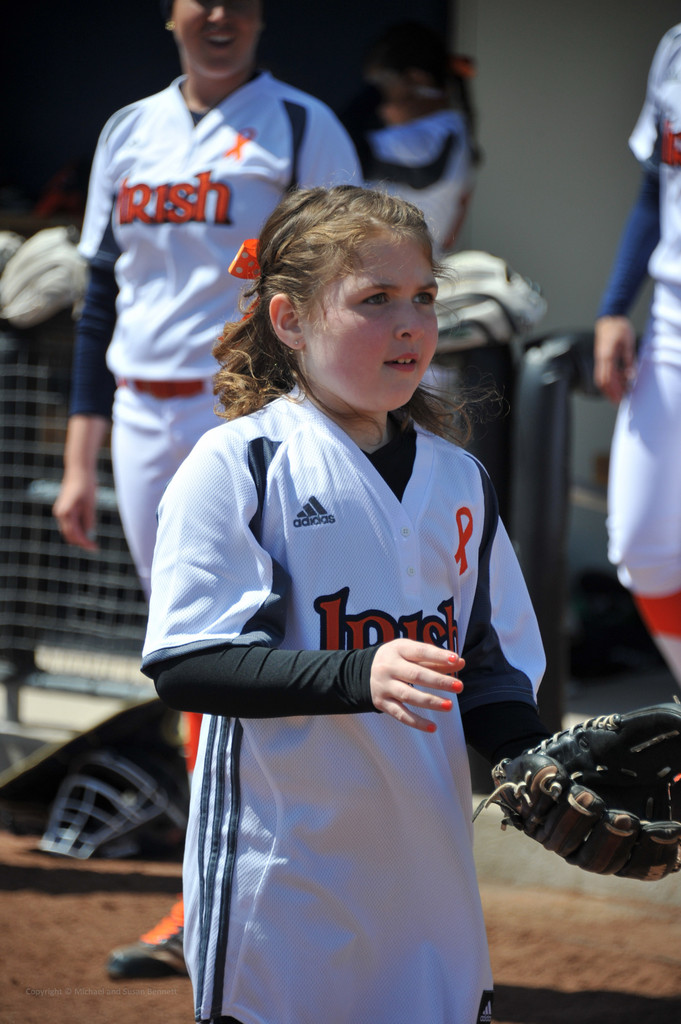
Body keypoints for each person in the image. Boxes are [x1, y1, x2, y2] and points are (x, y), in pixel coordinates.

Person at [141, 184, 549, 1024]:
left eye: (424, 297)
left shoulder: (458, 478)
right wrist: (359, 671)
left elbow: (488, 666)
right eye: (375, 300)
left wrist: (539, 764)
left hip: (429, 876)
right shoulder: (242, 465)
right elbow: (188, 663)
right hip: (283, 877)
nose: (410, 322)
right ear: (288, 319)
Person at [51, 0, 359, 980]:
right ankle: (212, 888)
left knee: (277, 641)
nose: (218, 15)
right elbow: (101, 288)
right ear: (171, 12)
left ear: (262, 15)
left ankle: (287, 883)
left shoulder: (302, 125)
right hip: (144, 414)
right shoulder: (128, 131)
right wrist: (79, 451)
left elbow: (357, 274)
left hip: (252, 411)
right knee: (193, 650)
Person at [593, 23, 681, 688]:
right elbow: (656, 184)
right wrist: (614, 305)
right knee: (642, 546)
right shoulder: (673, 47)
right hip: (671, 322)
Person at [342, 21, 480, 254]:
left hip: (400, 274)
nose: (381, 105)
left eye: (381, 84)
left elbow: (342, 148)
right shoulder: (454, 131)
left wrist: (362, 104)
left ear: (417, 80)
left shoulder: (434, 136)